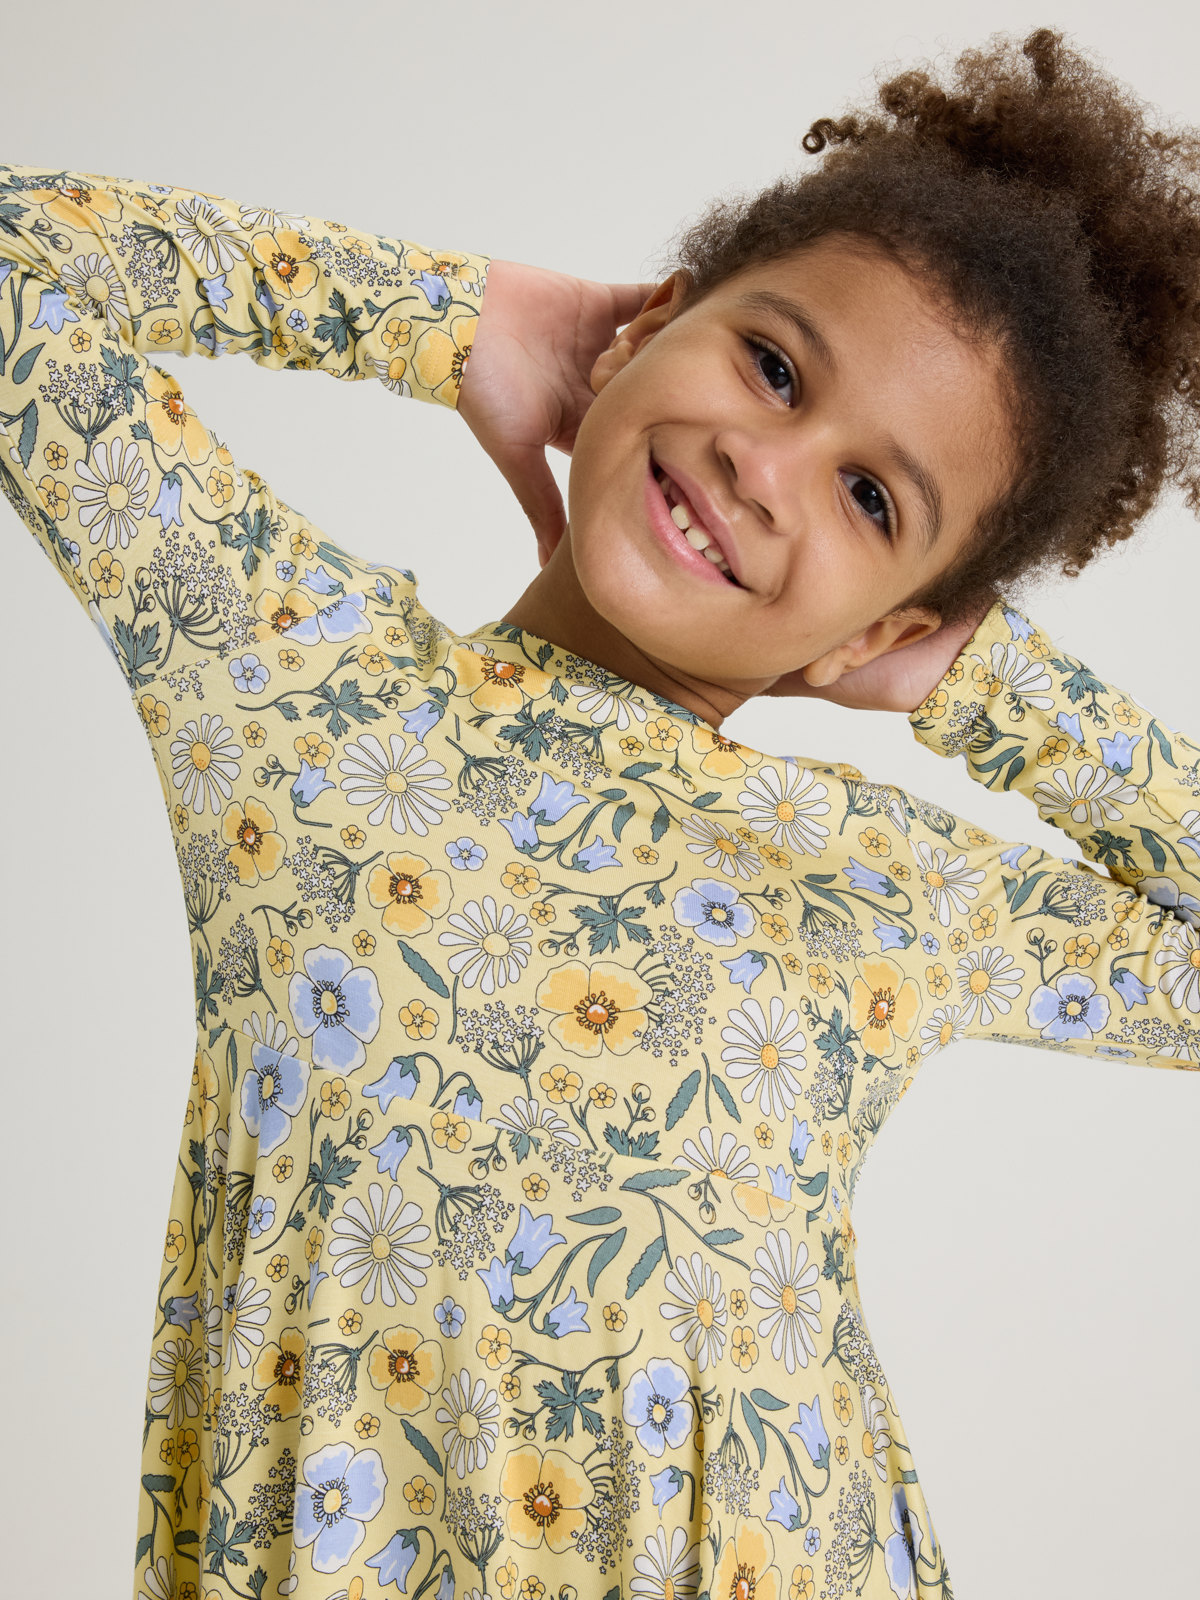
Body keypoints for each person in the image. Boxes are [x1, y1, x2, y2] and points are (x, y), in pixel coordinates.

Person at [1, 25, 1196, 1600]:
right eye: (773, 367)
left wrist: (989, 684)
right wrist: (456, 318)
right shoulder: (293, 671)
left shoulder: (875, 880)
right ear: (644, 328)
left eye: (871, 499)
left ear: (889, 629)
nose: (767, 470)